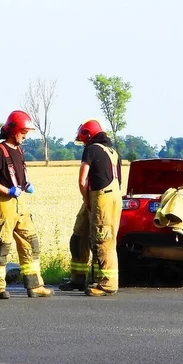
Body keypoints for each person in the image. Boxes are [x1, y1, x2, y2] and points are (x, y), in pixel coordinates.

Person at [0, 111, 53, 300]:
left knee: (31, 242)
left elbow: (18, 174)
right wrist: (7, 190)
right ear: (13, 131)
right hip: (4, 204)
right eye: (23, 132)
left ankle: (35, 286)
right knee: (2, 246)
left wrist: (25, 185)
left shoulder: (19, 150)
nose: (25, 136)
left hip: (20, 204)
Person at [59, 119, 123, 296]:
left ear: (88, 136)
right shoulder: (113, 152)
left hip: (101, 198)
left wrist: (87, 201)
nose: (83, 144)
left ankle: (107, 284)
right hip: (106, 196)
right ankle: (78, 279)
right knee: (80, 235)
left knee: (103, 240)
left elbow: (82, 180)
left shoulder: (91, 149)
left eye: (83, 140)